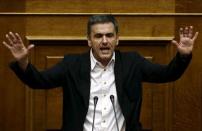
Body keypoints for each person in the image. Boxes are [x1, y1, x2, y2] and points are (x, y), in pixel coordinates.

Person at [2, 15, 198, 131]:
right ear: (89, 40)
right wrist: (23, 63)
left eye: (109, 35)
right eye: (98, 36)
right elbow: (39, 81)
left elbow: (167, 74)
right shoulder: (72, 64)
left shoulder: (133, 62)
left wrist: (183, 56)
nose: (104, 41)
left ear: (117, 39)